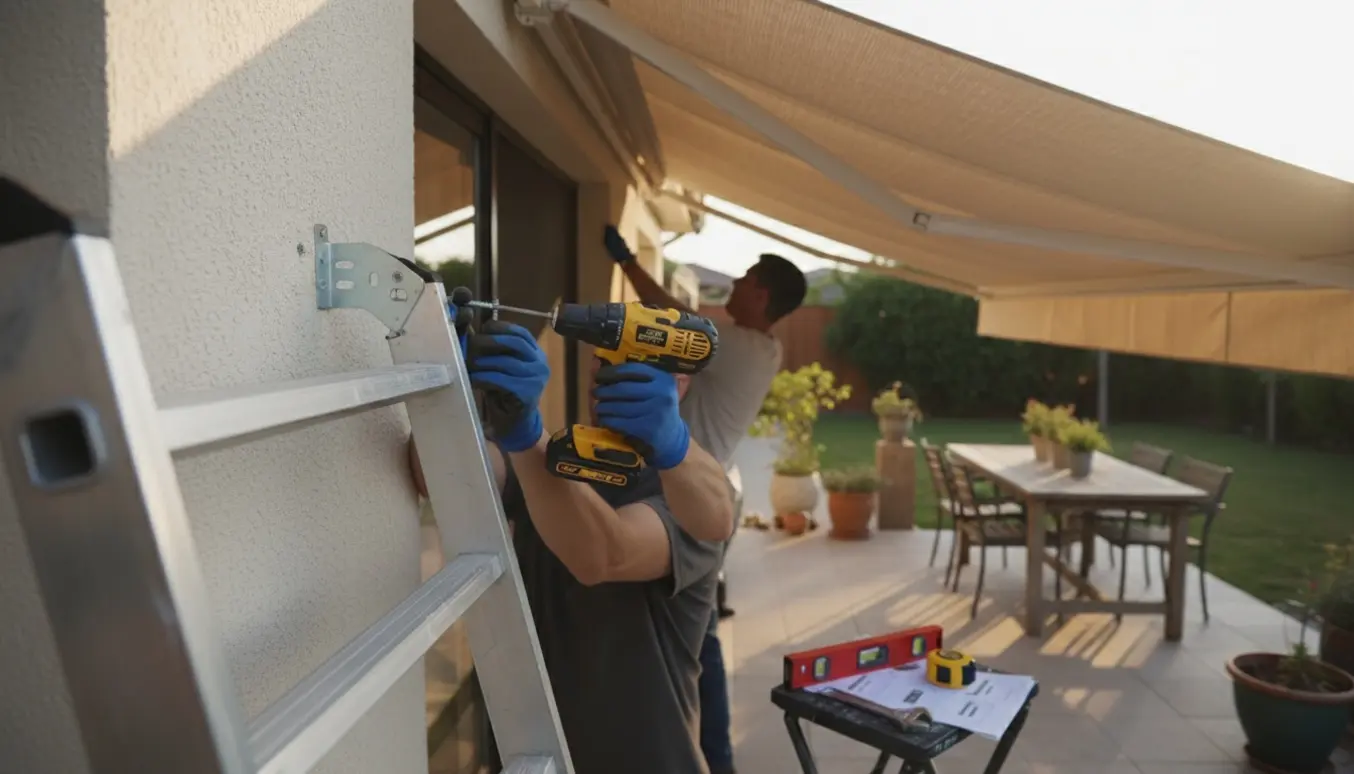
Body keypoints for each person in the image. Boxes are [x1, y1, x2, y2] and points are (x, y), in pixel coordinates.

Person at [408, 301, 735, 774]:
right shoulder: (555, 459)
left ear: (679, 383)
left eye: (634, 361)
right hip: (537, 760)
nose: (609, 373)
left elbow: (604, 555)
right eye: (604, 359)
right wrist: (445, 386)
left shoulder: (690, 495)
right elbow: (435, 474)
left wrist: (526, 436)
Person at [605, 225, 807, 774]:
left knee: (692, 645)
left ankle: (709, 758)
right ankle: (713, 758)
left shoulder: (740, 343)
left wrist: (625, 262)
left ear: (762, 293)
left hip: (690, 499)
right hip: (703, 489)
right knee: (697, 634)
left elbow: (670, 314)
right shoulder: (763, 347)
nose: (734, 286)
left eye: (743, 280)